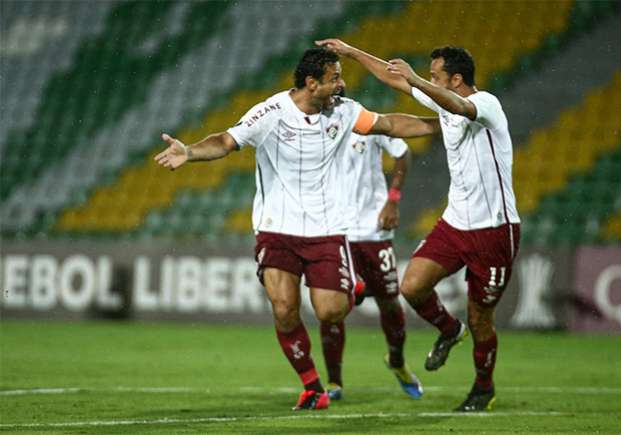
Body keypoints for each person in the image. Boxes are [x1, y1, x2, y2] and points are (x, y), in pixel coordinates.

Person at [154, 48, 438, 411]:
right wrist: (189, 152)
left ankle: (349, 287)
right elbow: (226, 142)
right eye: (335, 78)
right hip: (277, 228)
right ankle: (312, 387)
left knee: (330, 312)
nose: (342, 83)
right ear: (311, 83)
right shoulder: (271, 113)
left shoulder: (344, 112)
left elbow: (392, 125)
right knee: (285, 308)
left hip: (326, 230)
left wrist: (441, 123)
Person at [316, 39, 520, 412]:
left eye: (435, 76)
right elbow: (395, 79)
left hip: (494, 229)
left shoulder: (487, 104)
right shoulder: (441, 101)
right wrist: (352, 53)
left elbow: (458, 105)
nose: (428, 80)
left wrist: (416, 82)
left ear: (456, 79)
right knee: (412, 286)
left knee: (481, 317)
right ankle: (449, 329)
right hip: (456, 222)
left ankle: (482, 388)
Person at [320, 85, 423, 401]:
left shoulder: (367, 121)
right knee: (331, 309)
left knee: (390, 302)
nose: (330, 103)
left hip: (374, 231)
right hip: (335, 230)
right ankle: (335, 381)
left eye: (335, 97)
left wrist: (393, 200)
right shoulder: (313, 129)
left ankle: (397, 361)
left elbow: (403, 154)